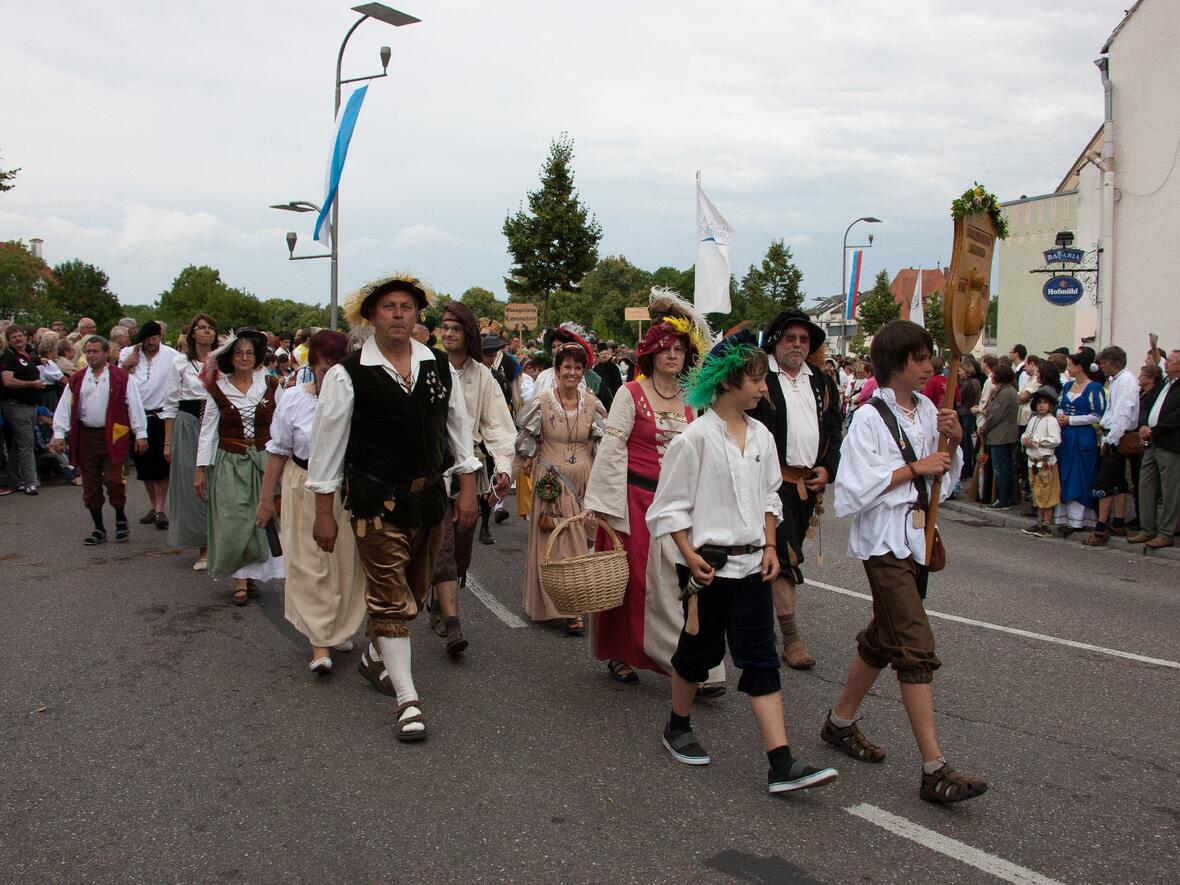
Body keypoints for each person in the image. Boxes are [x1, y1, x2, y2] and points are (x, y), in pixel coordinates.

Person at [648, 331, 838, 795]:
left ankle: (781, 762)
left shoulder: (762, 437)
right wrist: (690, 558)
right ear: (730, 381)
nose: (763, 389)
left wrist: (771, 548)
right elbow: (669, 508)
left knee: (760, 658)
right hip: (707, 568)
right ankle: (677, 725)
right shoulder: (693, 440)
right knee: (699, 654)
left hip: (754, 567)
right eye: (755, 380)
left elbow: (770, 496)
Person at [307, 273, 480, 742]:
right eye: (389, 307)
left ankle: (373, 658)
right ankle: (408, 700)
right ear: (370, 316)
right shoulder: (347, 375)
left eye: (407, 306)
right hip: (373, 501)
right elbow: (327, 447)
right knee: (390, 599)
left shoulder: (439, 367)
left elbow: (457, 431)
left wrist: (467, 487)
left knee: (414, 590)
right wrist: (324, 510)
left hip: (428, 500)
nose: (400, 314)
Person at [822, 320, 985, 804]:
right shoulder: (870, 417)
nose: (930, 366)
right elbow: (851, 490)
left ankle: (839, 723)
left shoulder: (931, 410)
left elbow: (944, 486)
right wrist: (915, 467)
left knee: (884, 636)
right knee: (914, 646)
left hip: (918, 539)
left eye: (929, 357)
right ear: (895, 363)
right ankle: (934, 768)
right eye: (919, 358)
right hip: (884, 544)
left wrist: (951, 445)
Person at [583, 318, 725, 689]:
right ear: (651, 354)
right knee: (635, 584)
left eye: (679, 349)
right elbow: (613, 448)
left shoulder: (695, 399)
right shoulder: (631, 393)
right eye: (666, 349)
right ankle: (624, 655)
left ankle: (694, 662)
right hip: (635, 501)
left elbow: (703, 452)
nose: (673, 355)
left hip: (680, 504)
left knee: (681, 583)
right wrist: (603, 504)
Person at [256, 330, 365, 672]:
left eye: (338, 371)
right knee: (309, 564)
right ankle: (320, 643)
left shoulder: (360, 400)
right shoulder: (293, 400)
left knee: (345, 565)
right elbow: (278, 451)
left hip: (346, 489)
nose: (330, 378)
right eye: (323, 371)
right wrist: (265, 500)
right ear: (312, 368)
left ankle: (335, 627)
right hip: (302, 486)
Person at [748, 311, 843, 671]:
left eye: (804, 340)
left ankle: (751, 619)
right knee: (784, 558)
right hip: (769, 483)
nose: (798, 346)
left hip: (807, 486)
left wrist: (827, 469)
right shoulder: (760, 377)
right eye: (791, 338)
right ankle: (791, 639)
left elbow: (835, 430)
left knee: (769, 559)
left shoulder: (820, 381)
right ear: (776, 340)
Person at [428, 304, 516, 656]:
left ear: (468, 334)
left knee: (462, 550)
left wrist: (504, 468)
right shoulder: (427, 367)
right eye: (444, 328)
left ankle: (440, 599)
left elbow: (497, 426)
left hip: (471, 472)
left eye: (455, 328)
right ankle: (453, 624)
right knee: (444, 547)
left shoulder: (483, 377)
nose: (447, 334)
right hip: (434, 470)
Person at [515, 339, 606, 635]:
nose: (572, 372)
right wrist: (517, 468)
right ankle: (571, 610)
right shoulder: (542, 403)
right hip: (553, 479)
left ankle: (570, 602)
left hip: (585, 477)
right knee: (564, 543)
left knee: (581, 540)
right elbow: (525, 440)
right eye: (567, 366)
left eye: (578, 367)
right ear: (556, 370)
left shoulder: (593, 404)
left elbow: (605, 443)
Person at [194, 329, 285, 604]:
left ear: (256, 357)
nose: (244, 357)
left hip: (264, 462)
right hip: (230, 460)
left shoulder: (270, 385)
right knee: (234, 520)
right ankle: (239, 580)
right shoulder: (217, 389)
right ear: (230, 358)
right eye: (239, 353)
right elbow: (208, 431)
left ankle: (252, 577)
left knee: (261, 519)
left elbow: (281, 426)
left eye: (249, 353)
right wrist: (200, 469)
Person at [49, 337, 149, 544]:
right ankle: (98, 528)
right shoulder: (77, 379)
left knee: (113, 480)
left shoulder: (121, 378)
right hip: (86, 436)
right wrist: (59, 433)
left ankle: (120, 518)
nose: (91, 355)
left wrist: (140, 433)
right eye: (88, 351)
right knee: (90, 483)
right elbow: (65, 407)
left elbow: (135, 405)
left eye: (95, 351)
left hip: (113, 434)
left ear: (106, 353)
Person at [162, 314, 217, 570]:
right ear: (192, 333)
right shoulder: (180, 362)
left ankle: (219, 542)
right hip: (188, 422)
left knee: (216, 480)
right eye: (201, 328)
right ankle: (202, 546)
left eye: (210, 328)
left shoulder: (221, 360)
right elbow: (171, 402)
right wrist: (167, 441)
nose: (206, 332)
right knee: (192, 484)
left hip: (215, 422)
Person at [119, 321, 179, 530]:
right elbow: (119, 380)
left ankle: (161, 509)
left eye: (155, 338)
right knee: (144, 466)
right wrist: (127, 365)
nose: (152, 343)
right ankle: (154, 506)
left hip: (161, 415)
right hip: (136, 415)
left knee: (161, 464)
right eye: (148, 339)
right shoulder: (129, 353)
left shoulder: (171, 355)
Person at [1084, 346, 1138, 546]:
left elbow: (1123, 413)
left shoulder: (1125, 381)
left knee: (1103, 483)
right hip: (1112, 434)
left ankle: (1101, 527)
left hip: (1117, 437)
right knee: (1119, 482)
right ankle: (1119, 521)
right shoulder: (1117, 380)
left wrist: (1111, 439)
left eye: (1104, 363)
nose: (1101, 367)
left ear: (1114, 362)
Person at [1128, 349, 1180, 549]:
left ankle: (1166, 532)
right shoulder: (1165, 384)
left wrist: (1155, 430)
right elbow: (1147, 405)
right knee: (1145, 486)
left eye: (1171, 361)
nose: (1166, 364)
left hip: (1169, 443)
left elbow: (1176, 415)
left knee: (1170, 490)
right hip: (1151, 442)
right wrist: (1142, 425)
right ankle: (1147, 529)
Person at [1055, 352, 1105, 534]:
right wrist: (1060, 416)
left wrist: (1071, 420)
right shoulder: (1068, 386)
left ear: (1079, 367)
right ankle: (1065, 516)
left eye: (1070, 365)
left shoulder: (1094, 388)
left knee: (1081, 473)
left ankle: (1079, 519)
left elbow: (1097, 415)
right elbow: (1060, 404)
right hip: (1067, 436)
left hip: (1083, 436)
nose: (1068, 369)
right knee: (1066, 472)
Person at [1, 325, 47, 495]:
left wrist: (39, 360)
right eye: (14, 337)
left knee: (18, 444)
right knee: (26, 443)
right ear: (9, 340)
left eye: (20, 336)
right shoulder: (8, 357)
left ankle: (16, 480)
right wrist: (31, 384)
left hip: (29, 406)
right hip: (16, 406)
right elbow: (7, 381)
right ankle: (30, 482)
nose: (18, 339)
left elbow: (28, 366)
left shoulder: (25, 355)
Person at [1019, 387, 1062, 537]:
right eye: (1039, 403)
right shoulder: (1033, 420)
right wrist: (1025, 439)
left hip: (1045, 462)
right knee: (1037, 493)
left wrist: (1037, 441)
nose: (1041, 406)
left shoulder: (1051, 421)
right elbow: (1026, 433)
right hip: (1033, 462)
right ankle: (1039, 521)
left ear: (1050, 405)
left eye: (1045, 403)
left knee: (1047, 494)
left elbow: (1055, 440)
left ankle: (1046, 524)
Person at [979, 363, 1018, 509]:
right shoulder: (1008, 390)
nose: (991, 376)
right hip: (1005, 435)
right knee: (1004, 467)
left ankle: (1004, 499)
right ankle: (1004, 497)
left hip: (1000, 436)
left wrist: (983, 427)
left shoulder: (1005, 393)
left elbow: (995, 415)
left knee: (1001, 468)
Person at [956, 360, 981, 483]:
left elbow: (959, 399)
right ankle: (969, 468)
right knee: (968, 443)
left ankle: (965, 469)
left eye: (960, 370)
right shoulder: (976, 382)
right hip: (970, 414)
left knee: (965, 443)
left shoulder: (967, 384)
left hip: (965, 413)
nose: (958, 373)